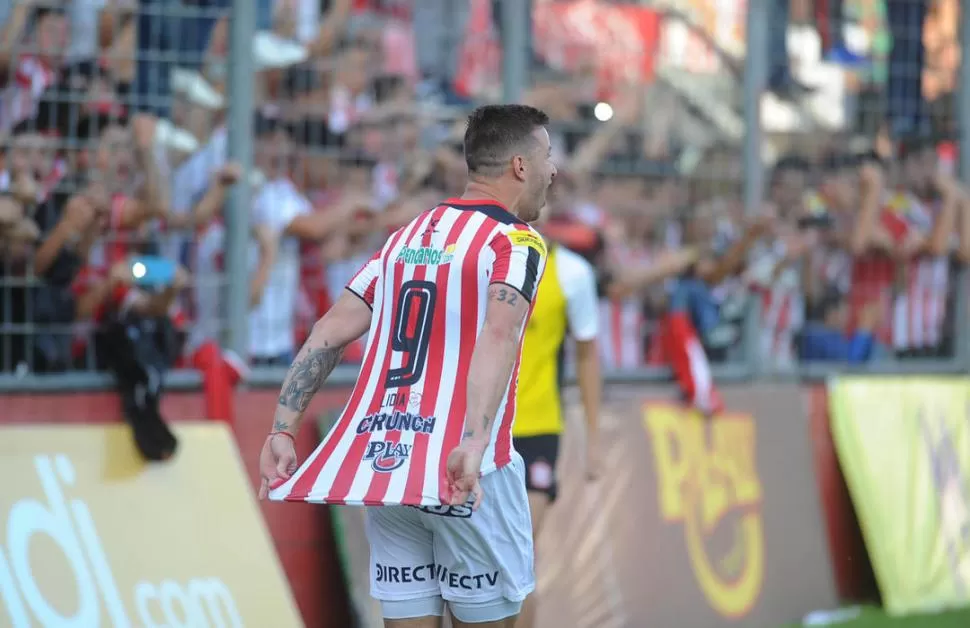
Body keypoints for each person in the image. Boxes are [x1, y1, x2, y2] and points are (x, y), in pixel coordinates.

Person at [259, 104, 557, 628]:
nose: (553, 171)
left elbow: (330, 329)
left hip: (392, 467)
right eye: (548, 156)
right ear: (520, 166)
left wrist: (283, 426)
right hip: (467, 471)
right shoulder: (516, 241)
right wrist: (473, 439)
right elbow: (499, 334)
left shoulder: (407, 238)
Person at [511, 218, 601, 628]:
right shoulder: (478, 260)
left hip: (538, 429)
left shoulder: (572, 273)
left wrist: (593, 438)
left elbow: (586, 354)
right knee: (479, 563)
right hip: (477, 432)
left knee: (518, 550)